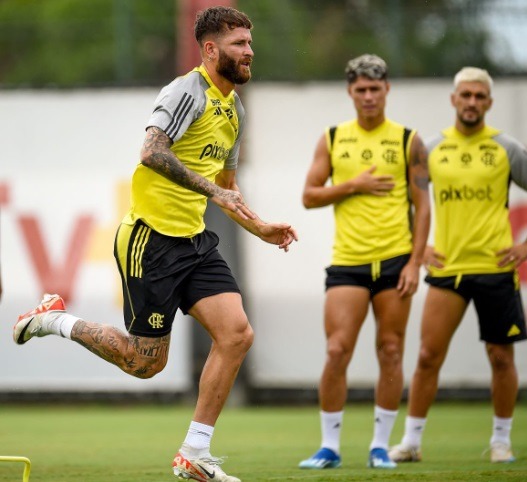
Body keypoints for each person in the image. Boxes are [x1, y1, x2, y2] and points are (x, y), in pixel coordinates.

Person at [13, 6, 297, 482]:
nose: (250, 51)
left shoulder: (235, 111)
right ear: (210, 50)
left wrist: (260, 226)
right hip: (151, 242)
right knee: (144, 364)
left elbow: (227, 189)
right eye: (239, 44)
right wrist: (213, 191)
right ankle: (52, 319)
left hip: (194, 243)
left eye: (250, 42)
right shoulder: (187, 90)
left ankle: (194, 455)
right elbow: (151, 152)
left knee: (236, 334)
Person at [298, 54, 430, 470]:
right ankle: (329, 447)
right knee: (337, 350)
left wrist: (415, 262)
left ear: (387, 89)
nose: (369, 96)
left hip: (394, 262)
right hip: (348, 263)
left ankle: (379, 445)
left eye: (375, 88)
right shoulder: (334, 138)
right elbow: (309, 195)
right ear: (350, 92)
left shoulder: (409, 140)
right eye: (361, 89)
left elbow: (423, 206)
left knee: (391, 350)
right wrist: (353, 185)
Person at [389, 67, 527, 464]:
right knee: (428, 356)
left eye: (479, 96)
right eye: (465, 95)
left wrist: (525, 247)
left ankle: (501, 441)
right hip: (448, 271)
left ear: (489, 103)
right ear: (453, 99)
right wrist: (419, 248)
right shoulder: (430, 148)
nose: (471, 102)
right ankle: (411, 442)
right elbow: (403, 201)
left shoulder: (506, 148)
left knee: (501, 358)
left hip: (496, 269)